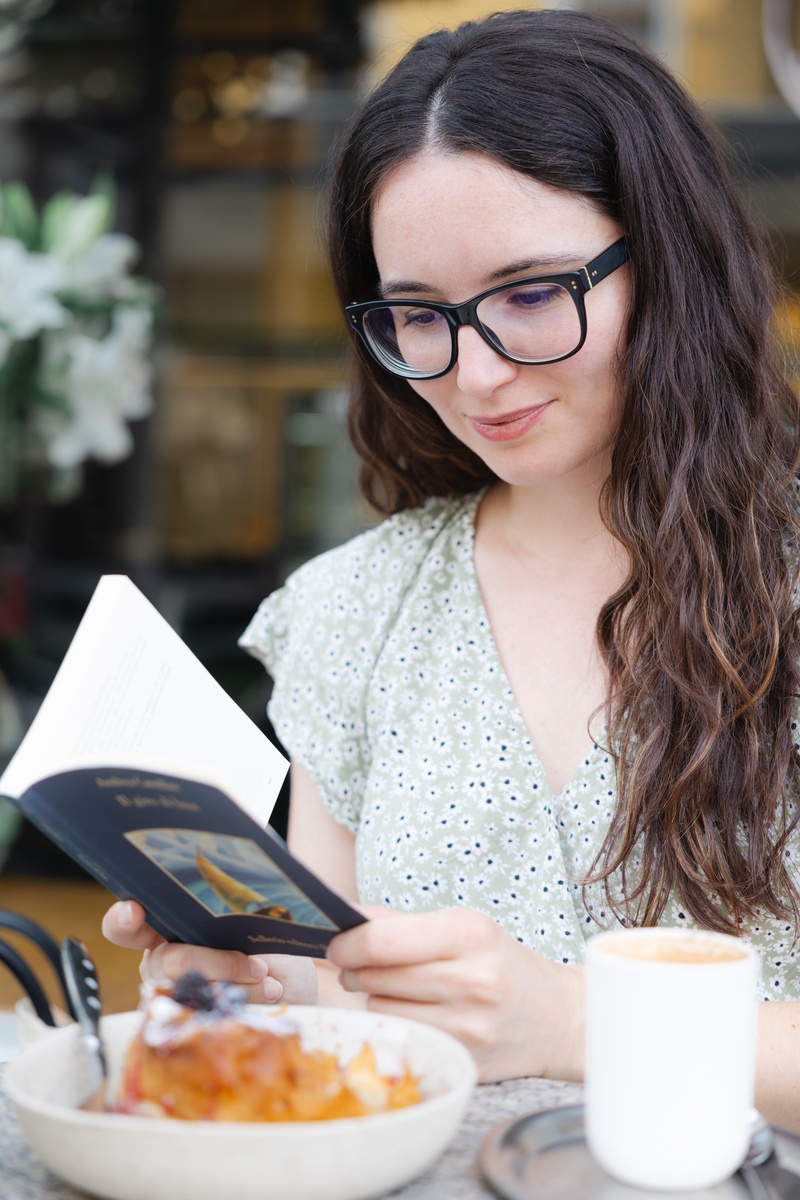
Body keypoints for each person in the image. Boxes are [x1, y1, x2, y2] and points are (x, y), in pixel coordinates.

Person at [103, 9, 800, 1125]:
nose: (471, 374)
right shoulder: (353, 609)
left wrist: (577, 1024)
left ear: (668, 261)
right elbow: (343, 993)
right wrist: (247, 988)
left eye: (530, 294)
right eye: (417, 316)